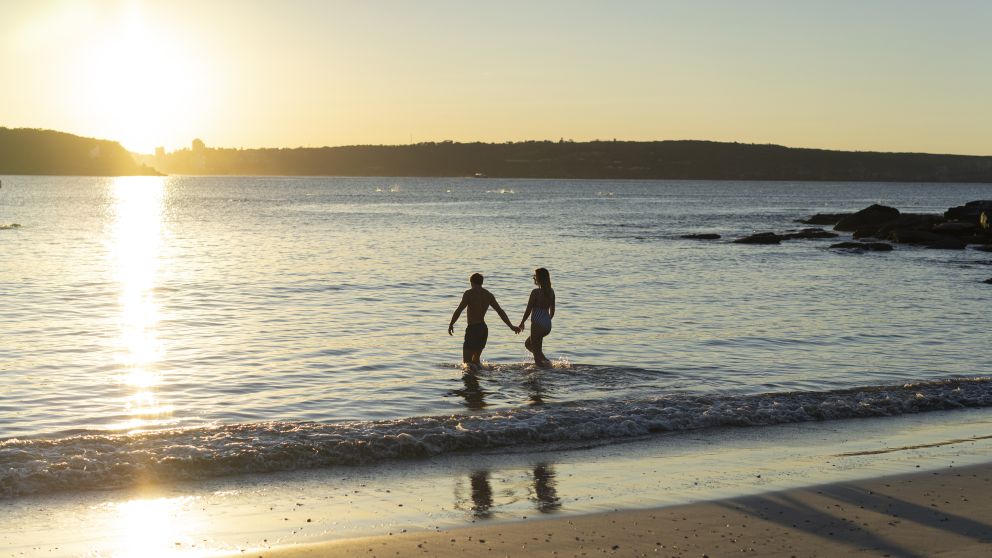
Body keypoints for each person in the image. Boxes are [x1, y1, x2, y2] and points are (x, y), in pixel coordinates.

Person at [448, 273, 520, 370]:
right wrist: (511, 326)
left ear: (471, 282)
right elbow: (500, 311)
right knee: (476, 361)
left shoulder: (469, 293)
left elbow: (459, 310)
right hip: (483, 329)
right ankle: (478, 381)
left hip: (473, 329)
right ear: (482, 282)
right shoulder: (488, 295)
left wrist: (451, 324)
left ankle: (471, 383)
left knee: (467, 363)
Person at [518, 267, 555, 367]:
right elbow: (552, 311)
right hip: (547, 324)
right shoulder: (551, 292)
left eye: (535, 276)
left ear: (539, 278)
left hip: (537, 323)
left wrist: (522, 322)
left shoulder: (535, 292)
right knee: (529, 345)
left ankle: (544, 369)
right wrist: (546, 320)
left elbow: (528, 310)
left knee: (536, 358)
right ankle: (548, 363)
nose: (534, 277)